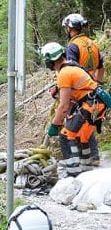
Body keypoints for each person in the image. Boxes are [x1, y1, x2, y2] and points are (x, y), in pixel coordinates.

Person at [41, 41, 107, 176]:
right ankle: (86, 169)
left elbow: (64, 106)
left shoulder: (64, 73)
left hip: (91, 105)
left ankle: (73, 174)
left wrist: (55, 125)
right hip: (97, 104)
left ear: (49, 62)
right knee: (82, 136)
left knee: (66, 135)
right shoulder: (74, 67)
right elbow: (75, 92)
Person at [62, 13, 105, 166]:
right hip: (94, 87)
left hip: (80, 89)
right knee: (89, 123)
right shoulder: (92, 43)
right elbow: (101, 66)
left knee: (75, 122)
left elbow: (71, 69)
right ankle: (93, 156)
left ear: (70, 28)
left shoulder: (73, 46)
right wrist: (98, 83)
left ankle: (81, 159)